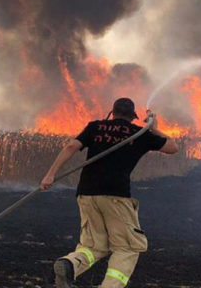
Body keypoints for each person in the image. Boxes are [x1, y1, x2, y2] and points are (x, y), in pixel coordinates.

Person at [40, 98, 178, 288]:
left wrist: (50, 175)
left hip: (86, 193)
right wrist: (152, 127)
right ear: (133, 117)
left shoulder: (95, 127)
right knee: (128, 247)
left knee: (93, 246)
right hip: (116, 196)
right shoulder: (139, 133)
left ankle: (69, 264)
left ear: (112, 113)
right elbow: (173, 148)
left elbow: (70, 146)